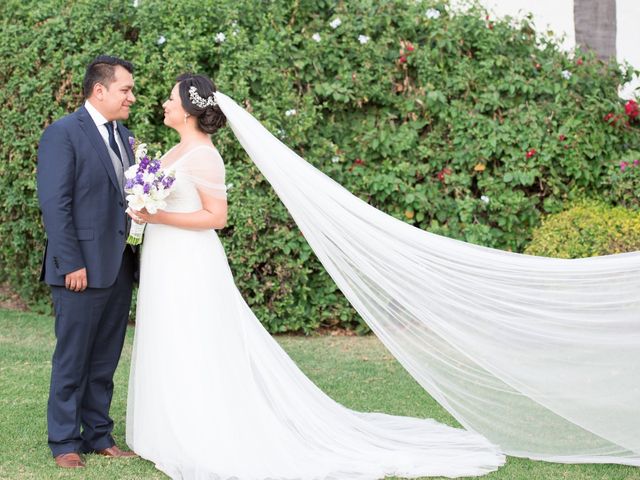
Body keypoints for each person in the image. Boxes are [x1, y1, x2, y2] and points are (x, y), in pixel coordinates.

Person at [126, 73, 505, 479]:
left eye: (170, 99)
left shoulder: (204, 155)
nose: (164, 104)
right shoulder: (178, 149)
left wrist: (157, 214)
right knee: (171, 335)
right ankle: (169, 425)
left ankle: (201, 430)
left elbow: (216, 216)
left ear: (189, 110)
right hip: (166, 257)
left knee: (196, 340)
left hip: (191, 261)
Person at [37, 55, 138, 469]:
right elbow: (55, 204)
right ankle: (64, 442)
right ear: (100, 90)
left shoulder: (125, 135)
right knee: (73, 357)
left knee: (105, 358)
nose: (131, 96)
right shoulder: (63, 134)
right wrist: (70, 262)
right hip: (78, 269)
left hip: (118, 266)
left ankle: (99, 435)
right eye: (125, 89)